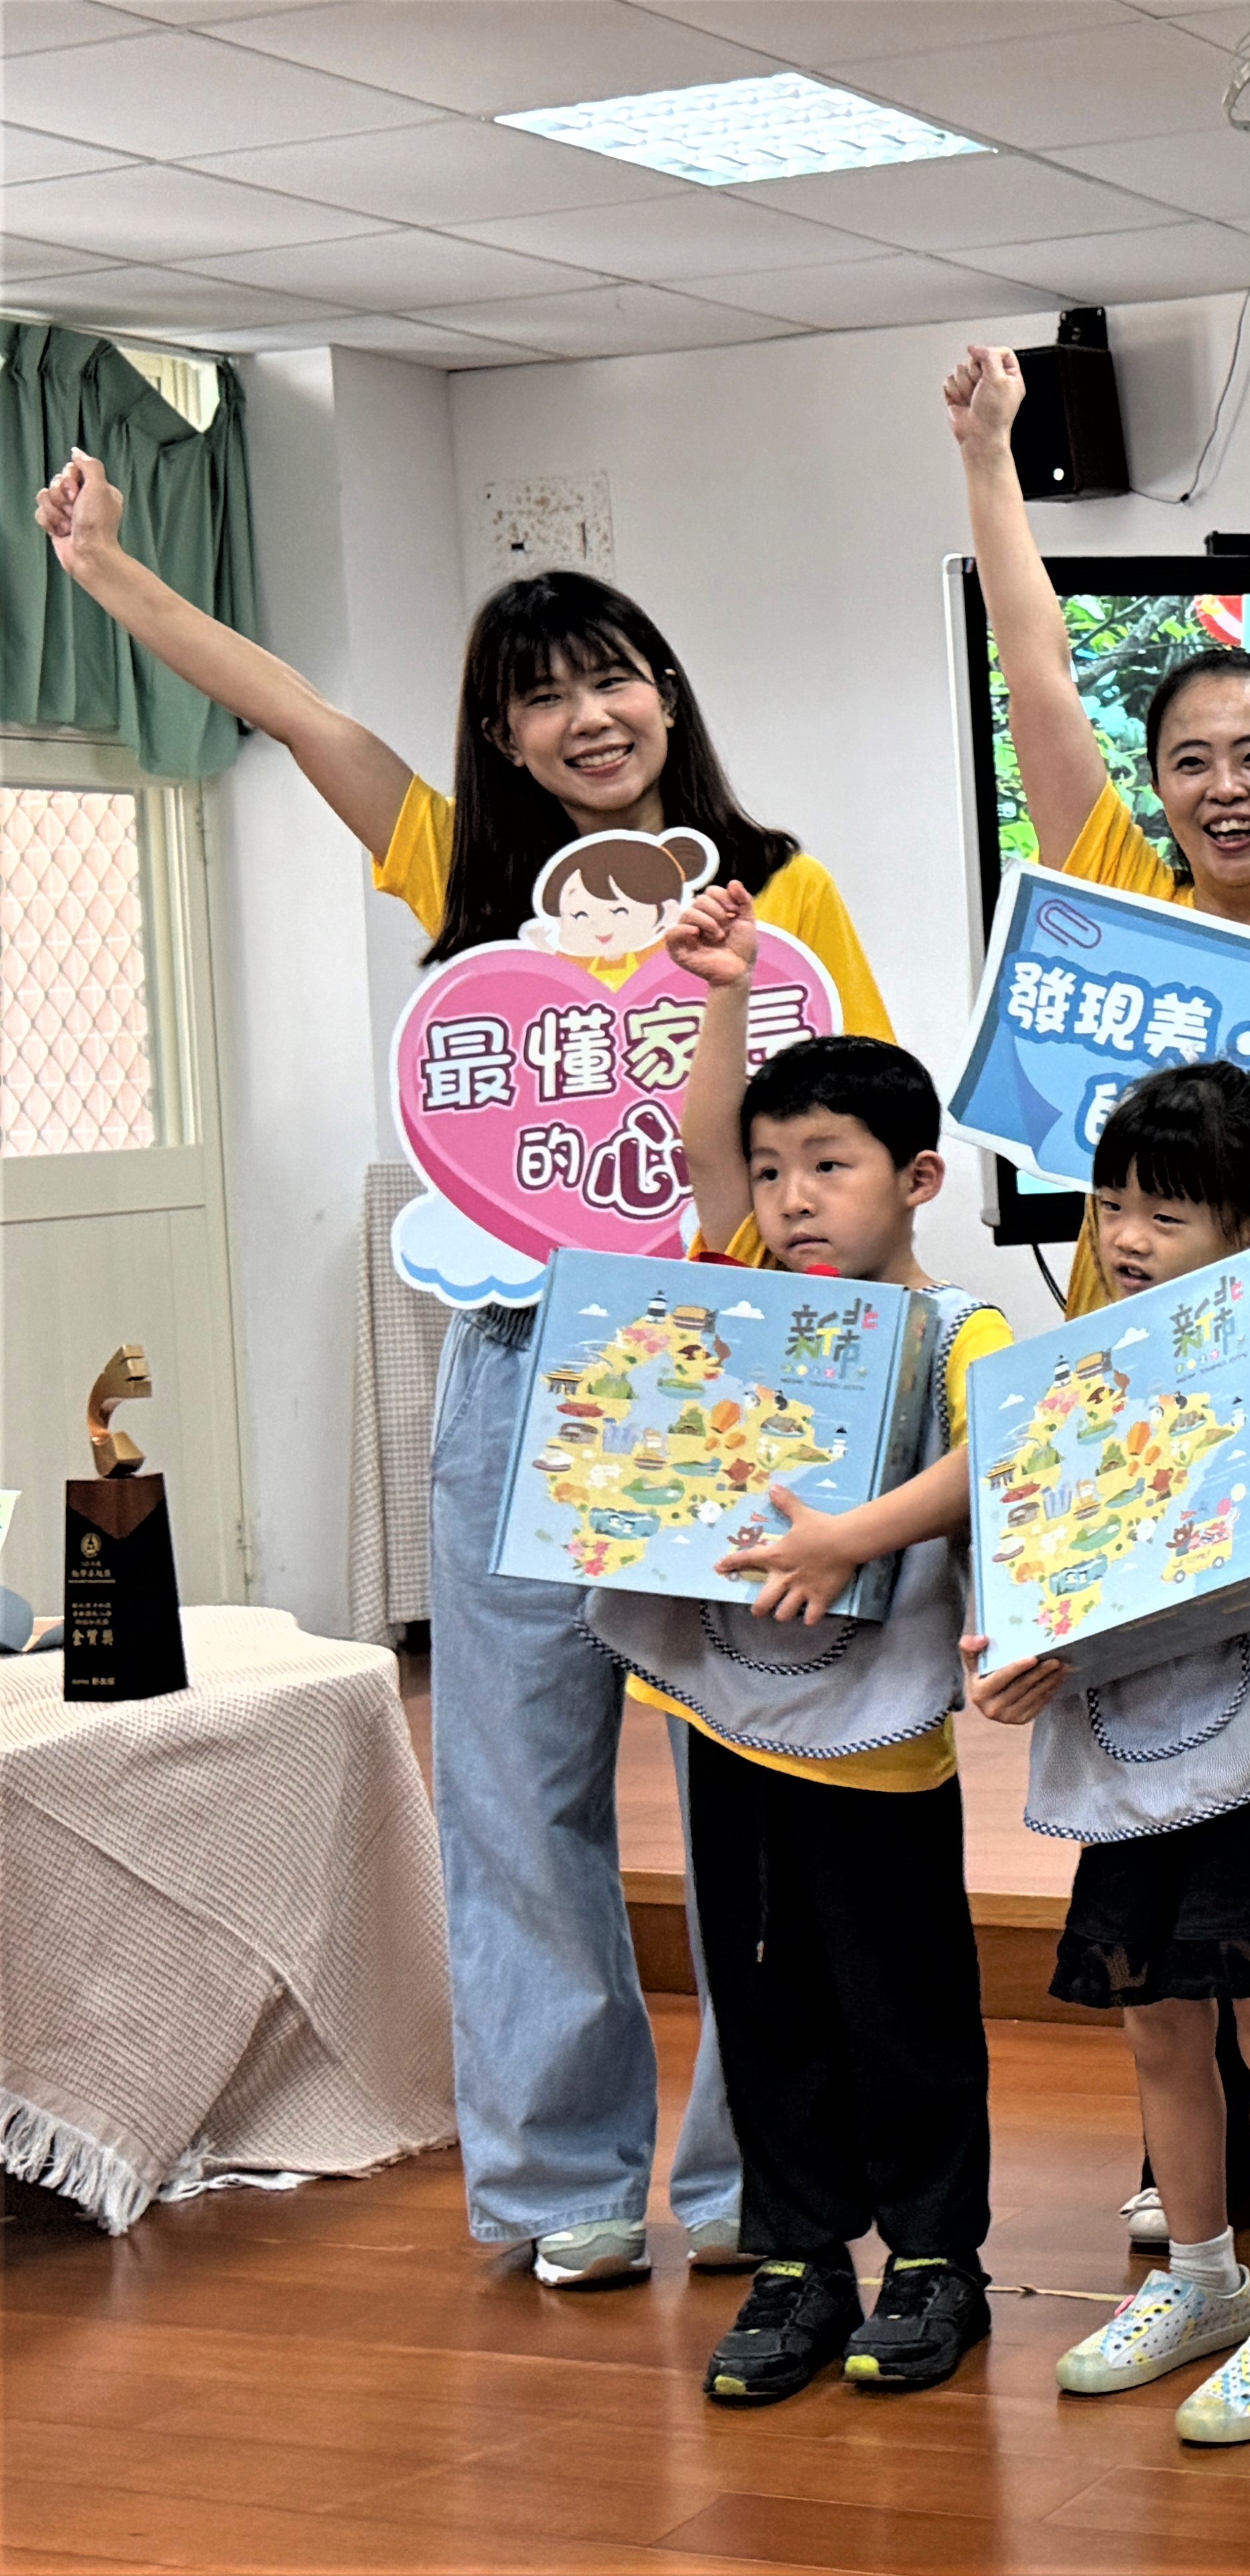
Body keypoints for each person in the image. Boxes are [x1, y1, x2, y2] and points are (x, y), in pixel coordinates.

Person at [35, 449, 901, 2288]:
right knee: (518, 1795)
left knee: (754, 1791)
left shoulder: (783, 890)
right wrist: (110, 574)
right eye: (542, 695)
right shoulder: (462, 868)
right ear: (502, 737)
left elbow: (856, 1138)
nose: (589, 717)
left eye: (613, 676)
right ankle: (563, 2179)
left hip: (728, 1373)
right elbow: (296, 715)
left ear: (666, 693)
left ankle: (758, 2181)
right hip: (519, 1368)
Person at [948, 345, 1250, 2249]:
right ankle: (1188, 2168)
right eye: (1191, 760)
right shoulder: (1120, 911)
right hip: (1118, 1425)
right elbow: (1038, 681)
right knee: (1154, 1776)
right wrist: (992, 458)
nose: (1224, 785)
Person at [963, 909, 1250, 2447]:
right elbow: (1044, 1549)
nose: (1128, 1236)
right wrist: (1015, 1657)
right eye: (1113, 1205)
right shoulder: (1083, 1350)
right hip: (1133, 1749)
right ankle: (1206, 2279)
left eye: (1166, 1212)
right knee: (1157, 2020)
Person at [575, 885, 1009, 2403]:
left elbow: (999, 1455)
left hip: (880, 1741)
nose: (792, 1197)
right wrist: (725, 990)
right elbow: (704, 1149)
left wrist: (853, 1537)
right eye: (774, 1172)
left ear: (919, 1179)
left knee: (903, 2000)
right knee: (762, 2001)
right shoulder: (750, 1298)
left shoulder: (960, 1329)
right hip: (730, 1722)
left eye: (831, 1165)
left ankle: (939, 2261)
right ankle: (798, 2257)